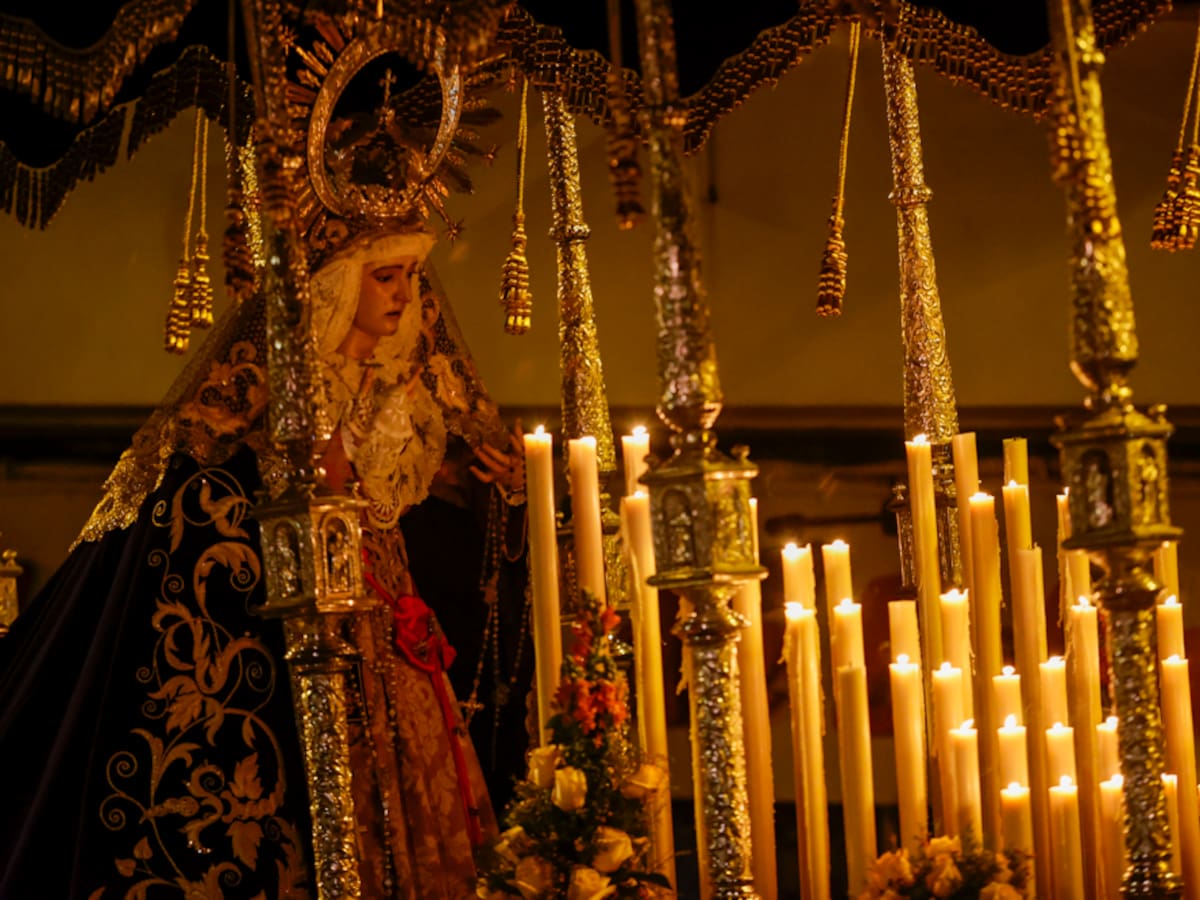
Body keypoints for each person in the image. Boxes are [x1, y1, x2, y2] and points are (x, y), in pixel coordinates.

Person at [0, 224, 531, 899]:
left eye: (410, 276)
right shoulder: (282, 390)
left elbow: (425, 503)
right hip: (301, 625)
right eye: (385, 276)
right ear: (338, 283)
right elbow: (225, 493)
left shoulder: (409, 386)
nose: (404, 294)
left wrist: (504, 487)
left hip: (387, 623)